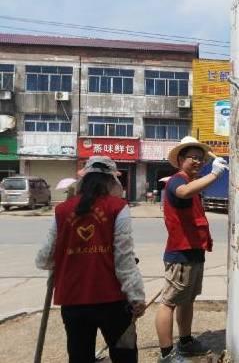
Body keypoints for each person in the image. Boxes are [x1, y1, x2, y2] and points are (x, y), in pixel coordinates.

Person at [35, 156, 145, 363]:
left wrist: (70, 258)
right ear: (111, 181)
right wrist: (136, 296)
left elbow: (43, 259)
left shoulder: (62, 210)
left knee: (79, 356)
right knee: (125, 354)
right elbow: (124, 259)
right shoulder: (118, 207)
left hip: (73, 301)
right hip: (113, 301)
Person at [155, 136, 228, 363]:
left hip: (194, 252)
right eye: (192, 158)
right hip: (181, 253)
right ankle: (167, 354)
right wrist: (214, 174)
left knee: (188, 299)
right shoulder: (178, 180)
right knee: (169, 301)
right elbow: (183, 192)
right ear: (180, 160)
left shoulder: (194, 184)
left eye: (200, 159)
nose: (197, 162)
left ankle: (185, 341)